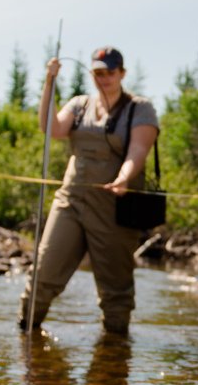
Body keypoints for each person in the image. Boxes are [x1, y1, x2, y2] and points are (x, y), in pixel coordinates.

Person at [18, 46, 159, 335]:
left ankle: (114, 356)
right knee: (43, 273)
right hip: (70, 201)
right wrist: (49, 83)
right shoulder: (79, 104)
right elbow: (50, 128)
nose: (103, 78)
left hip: (114, 208)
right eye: (98, 73)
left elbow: (138, 150)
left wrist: (123, 178)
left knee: (115, 289)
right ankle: (26, 333)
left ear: (122, 73)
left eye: (109, 72)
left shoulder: (140, 109)